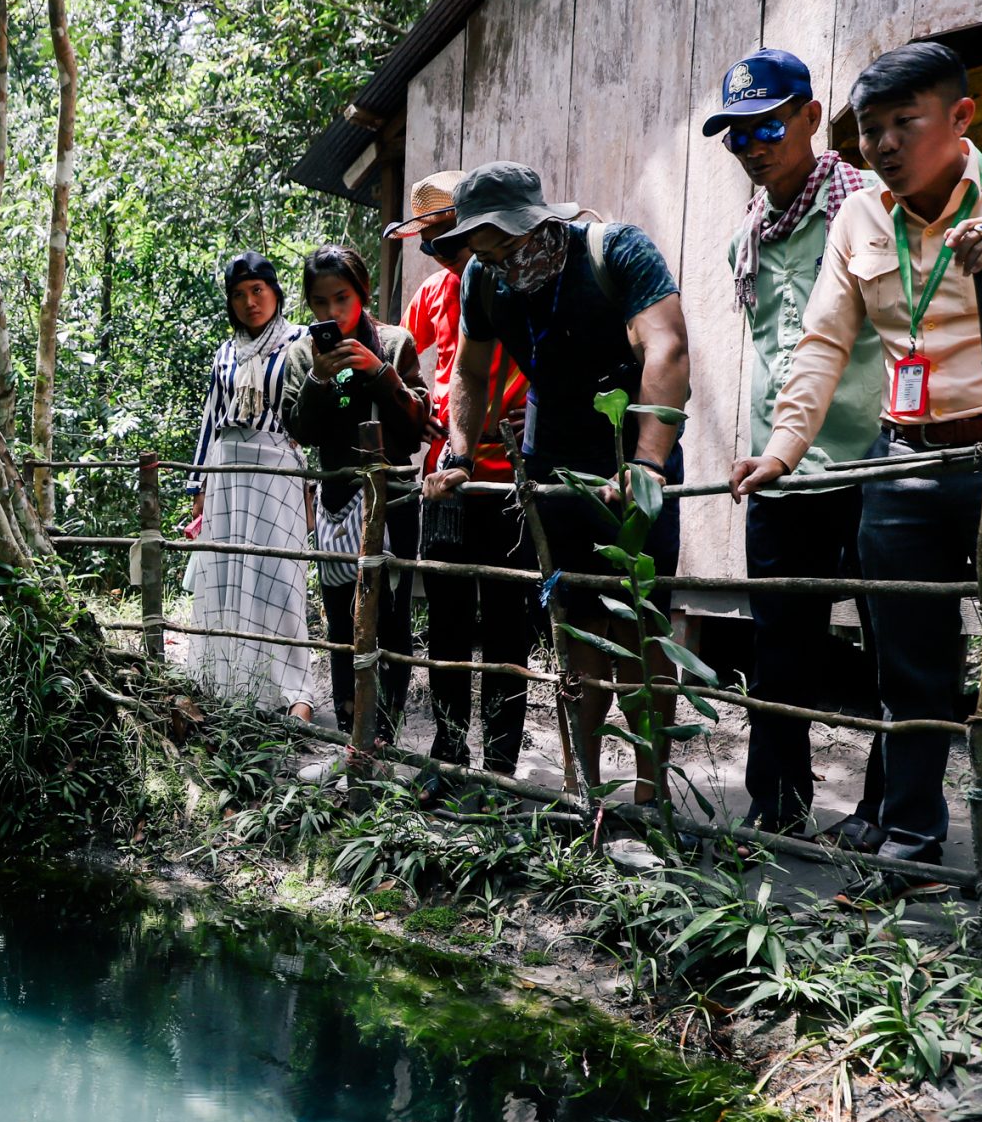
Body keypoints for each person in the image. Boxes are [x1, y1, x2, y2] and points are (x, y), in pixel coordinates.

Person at [730, 41, 982, 904]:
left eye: (903, 124)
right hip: (906, 460)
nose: (882, 145)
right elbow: (823, 342)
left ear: (960, 118)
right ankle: (911, 845)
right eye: (870, 129)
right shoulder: (859, 220)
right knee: (910, 667)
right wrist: (782, 450)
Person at [423, 163, 692, 805]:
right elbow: (471, 369)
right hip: (551, 467)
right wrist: (460, 452)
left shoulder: (617, 252)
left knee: (638, 626)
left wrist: (648, 463)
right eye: (485, 252)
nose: (502, 264)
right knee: (573, 629)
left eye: (511, 246)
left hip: (629, 455)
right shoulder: (482, 282)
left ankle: (650, 801)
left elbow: (667, 347)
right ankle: (586, 793)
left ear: (544, 221)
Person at [705, 48, 889, 852]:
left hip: (871, 456)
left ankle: (890, 814)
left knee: (894, 643)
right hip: (774, 468)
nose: (754, 146)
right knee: (778, 645)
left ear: (812, 118)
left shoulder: (867, 208)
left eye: (769, 126)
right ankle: (776, 802)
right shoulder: (749, 232)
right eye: (737, 136)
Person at [392, 171, 534, 796]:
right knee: (446, 622)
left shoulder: (518, 280)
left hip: (512, 477)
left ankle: (502, 767)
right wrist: (417, 406)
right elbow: (400, 353)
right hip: (446, 479)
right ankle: (448, 753)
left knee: (507, 625)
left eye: (449, 240)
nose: (445, 256)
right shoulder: (429, 294)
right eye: (434, 246)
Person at [280, 245, 429, 758]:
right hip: (338, 498)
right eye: (319, 302)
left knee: (391, 614)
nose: (330, 312)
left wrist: (378, 370)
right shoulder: (302, 354)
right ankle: (350, 724)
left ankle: (385, 727)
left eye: (341, 298)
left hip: (395, 498)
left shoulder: (394, 341)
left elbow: (416, 429)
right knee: (341, 615)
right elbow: (299, 428)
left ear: (362, 293)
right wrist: (322, 376)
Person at [182, 252, 315, 719]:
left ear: (276, 293)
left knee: (280, 577)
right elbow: (210, 421)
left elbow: (316, 412)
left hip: (277, 466)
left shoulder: (301, 341)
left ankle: (295, 692)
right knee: (225, 574)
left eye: (257, 290)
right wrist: (199, 486)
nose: (249, 302)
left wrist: (313, 483)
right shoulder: (226, 352)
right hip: (227, 468)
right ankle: (230, 682)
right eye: (238, 295)